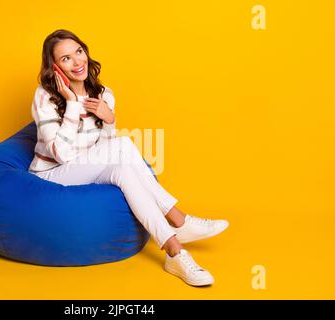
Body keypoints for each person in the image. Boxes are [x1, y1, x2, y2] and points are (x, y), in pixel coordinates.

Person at [28, 29, 229, 287]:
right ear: (54, 67)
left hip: (85, 167)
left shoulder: (103, 94)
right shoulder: (44, 97)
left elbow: (103, 146)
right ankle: (179, 219)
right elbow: (62, 154)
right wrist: (73, 105)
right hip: (50, 175)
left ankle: (175, 253)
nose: (77, 62)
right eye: (66, 58)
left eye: (79, 52)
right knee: (123, 145)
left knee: (123, 170)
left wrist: (108, 117)